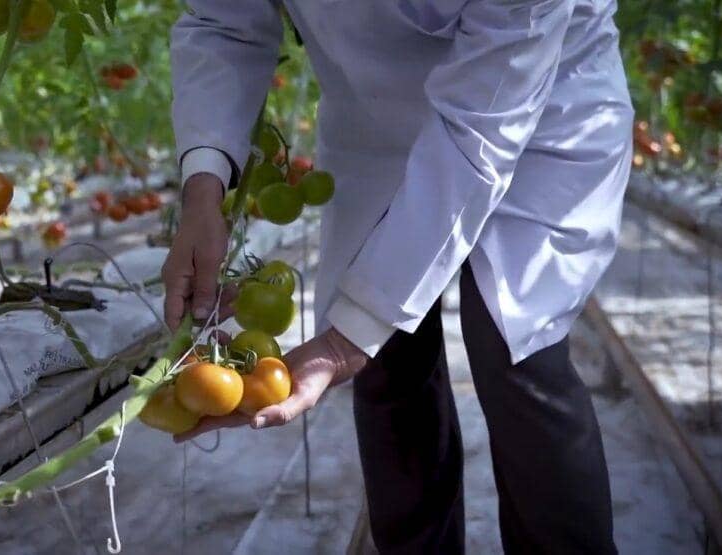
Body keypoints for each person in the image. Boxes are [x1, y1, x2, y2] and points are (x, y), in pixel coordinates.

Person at [162, 1, 631, 552]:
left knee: (516, 357)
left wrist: (348, 338)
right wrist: (203, 188)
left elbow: (483, 125)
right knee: (387, 369)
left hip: (537, 109)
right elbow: (224, 23)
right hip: (371, 122)